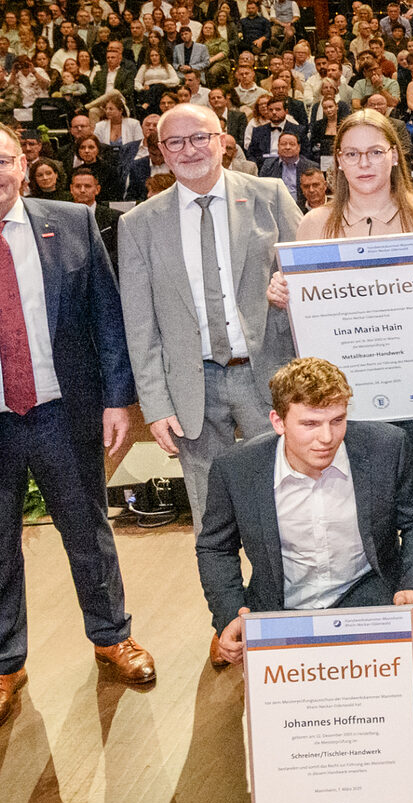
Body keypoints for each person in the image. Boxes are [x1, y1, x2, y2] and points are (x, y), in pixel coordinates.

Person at [265, 109, 413, 656]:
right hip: (338, 400)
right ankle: (369, 594)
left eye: (374, 151)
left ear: (395, 155)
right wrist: (281, 293)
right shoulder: (313, 225)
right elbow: (304, 316)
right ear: (338, 162)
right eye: (351, 153)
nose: (363, 163)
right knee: (358, 496)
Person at [0, 124, 155, 728]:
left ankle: (112, 636)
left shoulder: (69, 221)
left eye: (4, 160)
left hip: (64, 409)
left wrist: (118, 400)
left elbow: (105, 314)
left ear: (24, 162)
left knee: (87, 531)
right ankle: (6, 661)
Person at [196, 358, 413, 684]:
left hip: (365, 594)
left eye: (337, 420)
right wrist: (230, 614)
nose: (327, 437)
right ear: (278, 421)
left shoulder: (387, 447)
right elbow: (215, 548)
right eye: (310, 424)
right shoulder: (236, 469)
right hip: (282, 606)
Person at [117, 103, 302, 537]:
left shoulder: (270, 197)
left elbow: (311, 277)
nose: (190, 149)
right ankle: (227, 606)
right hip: (190, 388)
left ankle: (288, 602)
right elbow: (140, 326)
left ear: (222, 140)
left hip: (269, 375)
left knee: (289, 502)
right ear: (160, 150)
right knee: (211, 519)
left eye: (200, 137)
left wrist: (289, 291)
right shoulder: (138, 224)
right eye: (175, 141)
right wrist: (156, 406)